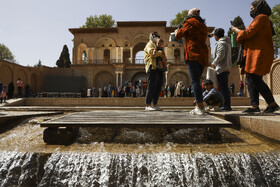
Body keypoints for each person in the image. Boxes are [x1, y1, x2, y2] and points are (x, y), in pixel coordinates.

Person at [232, 0, 279, 113]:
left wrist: (237, 30)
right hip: (256, 53)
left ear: (258, 7)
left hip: (258, 53)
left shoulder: (261, 18)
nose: (251, 10)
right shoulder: (262, 19)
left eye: (252, 8)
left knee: (254, 79)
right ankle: (255, 106)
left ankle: (272, 104)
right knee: (250, 79)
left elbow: (248, 33)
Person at [175, 8, 209, 115]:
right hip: (202, 56)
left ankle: (199, 107)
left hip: (193, 54)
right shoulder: (203, 25)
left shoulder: (189, 22)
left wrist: (177, 31)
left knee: (194, 81)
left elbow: (178, 35)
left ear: (191, 15)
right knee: (197, 81)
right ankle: (200, 105)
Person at [211, 28, 232, 111]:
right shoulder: (227, 42)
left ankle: (226, 105)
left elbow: (220, 55)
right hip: (226, 67)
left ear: (216, 36)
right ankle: (225, 105)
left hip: (221, 68)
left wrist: (214, 63)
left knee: (224, 88)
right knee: (224, 88)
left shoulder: (221, 43)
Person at [144, 32, 165, 111]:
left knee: (158, 86)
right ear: (152, 37)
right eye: (156, 36)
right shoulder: (149, 44)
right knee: (151, 86)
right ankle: (148, 105)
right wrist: (161, 53)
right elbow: (152, 54)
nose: (157, 38)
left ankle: (154, 104)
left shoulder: (157, 45)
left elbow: (161, 55)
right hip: (152, 67)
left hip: (159, 68)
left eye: (158, 36)